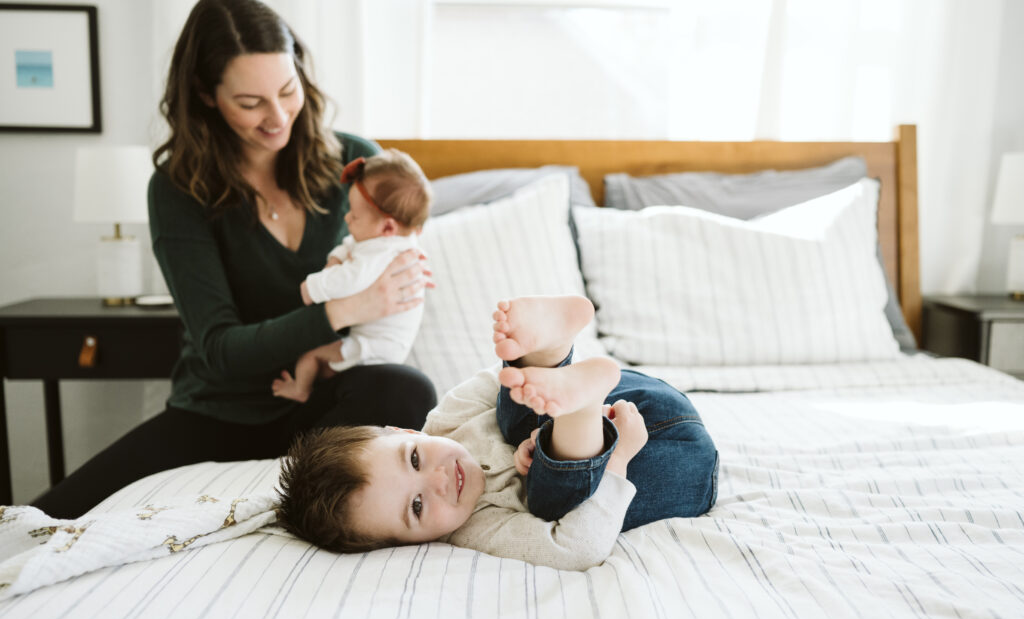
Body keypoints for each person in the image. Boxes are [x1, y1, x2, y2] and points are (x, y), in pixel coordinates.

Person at [31, 0, 436, 519]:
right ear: (206, 96)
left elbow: (398, 274)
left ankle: (301, 499)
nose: (278, 116)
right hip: (220, 411)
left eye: (287, 91)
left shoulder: (357, 166)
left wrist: (396, 286)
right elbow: (221, 349)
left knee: (408, 390)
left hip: (323, 409)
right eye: (250, 102)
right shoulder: (179, 190)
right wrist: (343, 309)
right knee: (42, 520)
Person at [277, 295, 719, 571]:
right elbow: (575, 549)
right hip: (675, 465)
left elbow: (504, 385)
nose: (438, 480)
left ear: (402, 429)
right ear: (408, 544)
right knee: (548, 501)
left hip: (631, 396)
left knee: (514, 403)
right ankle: (575, 411)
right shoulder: (477, 529)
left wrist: (536, 427)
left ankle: (550, 349)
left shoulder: (448, 417)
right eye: (416, 506)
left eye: (413, 457)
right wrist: (617, 461)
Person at [272, 149, 433, 403]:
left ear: (387, 226)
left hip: (374, 349)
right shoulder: (396, 241)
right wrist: (336, 257)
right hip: (386, 348)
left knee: (310, 357)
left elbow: (349, 279)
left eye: (355, 216)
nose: (347, 218)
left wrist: (313, 287)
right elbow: (349, 245)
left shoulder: (380, 253)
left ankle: (299, 390)